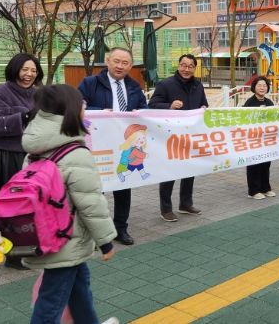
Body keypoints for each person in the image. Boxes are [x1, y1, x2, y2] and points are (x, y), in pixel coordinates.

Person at [22, 84, 117, 324]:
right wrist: (106, 241)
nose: (85, 107)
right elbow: (91, 203)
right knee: (50, 302)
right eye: (81, 103)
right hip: (66, 239)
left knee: (79, 288)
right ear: (70, 110)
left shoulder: (34, 150)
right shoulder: (75, 152)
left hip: (46, 233)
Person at [78, 47, 147, 246]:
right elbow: (77, 106)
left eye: (125, 63)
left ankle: (120, 228)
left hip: (124, 146)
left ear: (130, 66)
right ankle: (94, 232)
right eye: (116, 61)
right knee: (96, 190)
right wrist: (100, 112)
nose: (120, 66)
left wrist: (140, 112)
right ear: (108, 61)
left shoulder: (134, 86)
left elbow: (145, 109)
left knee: (123, 186)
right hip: (98, 145)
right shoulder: (90, 83)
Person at [0, 53, 43, 270]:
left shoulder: (39, 94)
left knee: (33, 205)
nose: (29, 74)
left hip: (35, 156)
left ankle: (32, 247)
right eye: (25, 69)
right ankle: (10, 254)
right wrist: (24, 117)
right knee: (11, 207)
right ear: (15, 69)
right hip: (10, 157)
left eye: (33, 70)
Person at [148, 54, 208, 222]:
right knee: (169, 172)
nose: (186, 69)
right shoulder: (166, 84)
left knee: (190, 170)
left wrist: (204, 107)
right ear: (178, 65)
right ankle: (166, 209)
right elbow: (152, 104)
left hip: (191, 135)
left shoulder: (198, 85)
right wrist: (169, 105)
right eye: (183, 65)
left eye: (190, 66)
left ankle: (185, 204)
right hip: (170, 136)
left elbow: (204, 104)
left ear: (194, 68)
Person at [244, 76, 275, 199]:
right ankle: (253, 191)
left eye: (265, 85)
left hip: (266, 139)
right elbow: (244, 119)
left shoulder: (269, 103)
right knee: (254, 164)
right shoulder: (249, 103)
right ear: (254, 87)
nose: (262, 88)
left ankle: (265, 188)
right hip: (253, 139)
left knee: (266, 163)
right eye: (259, 85)